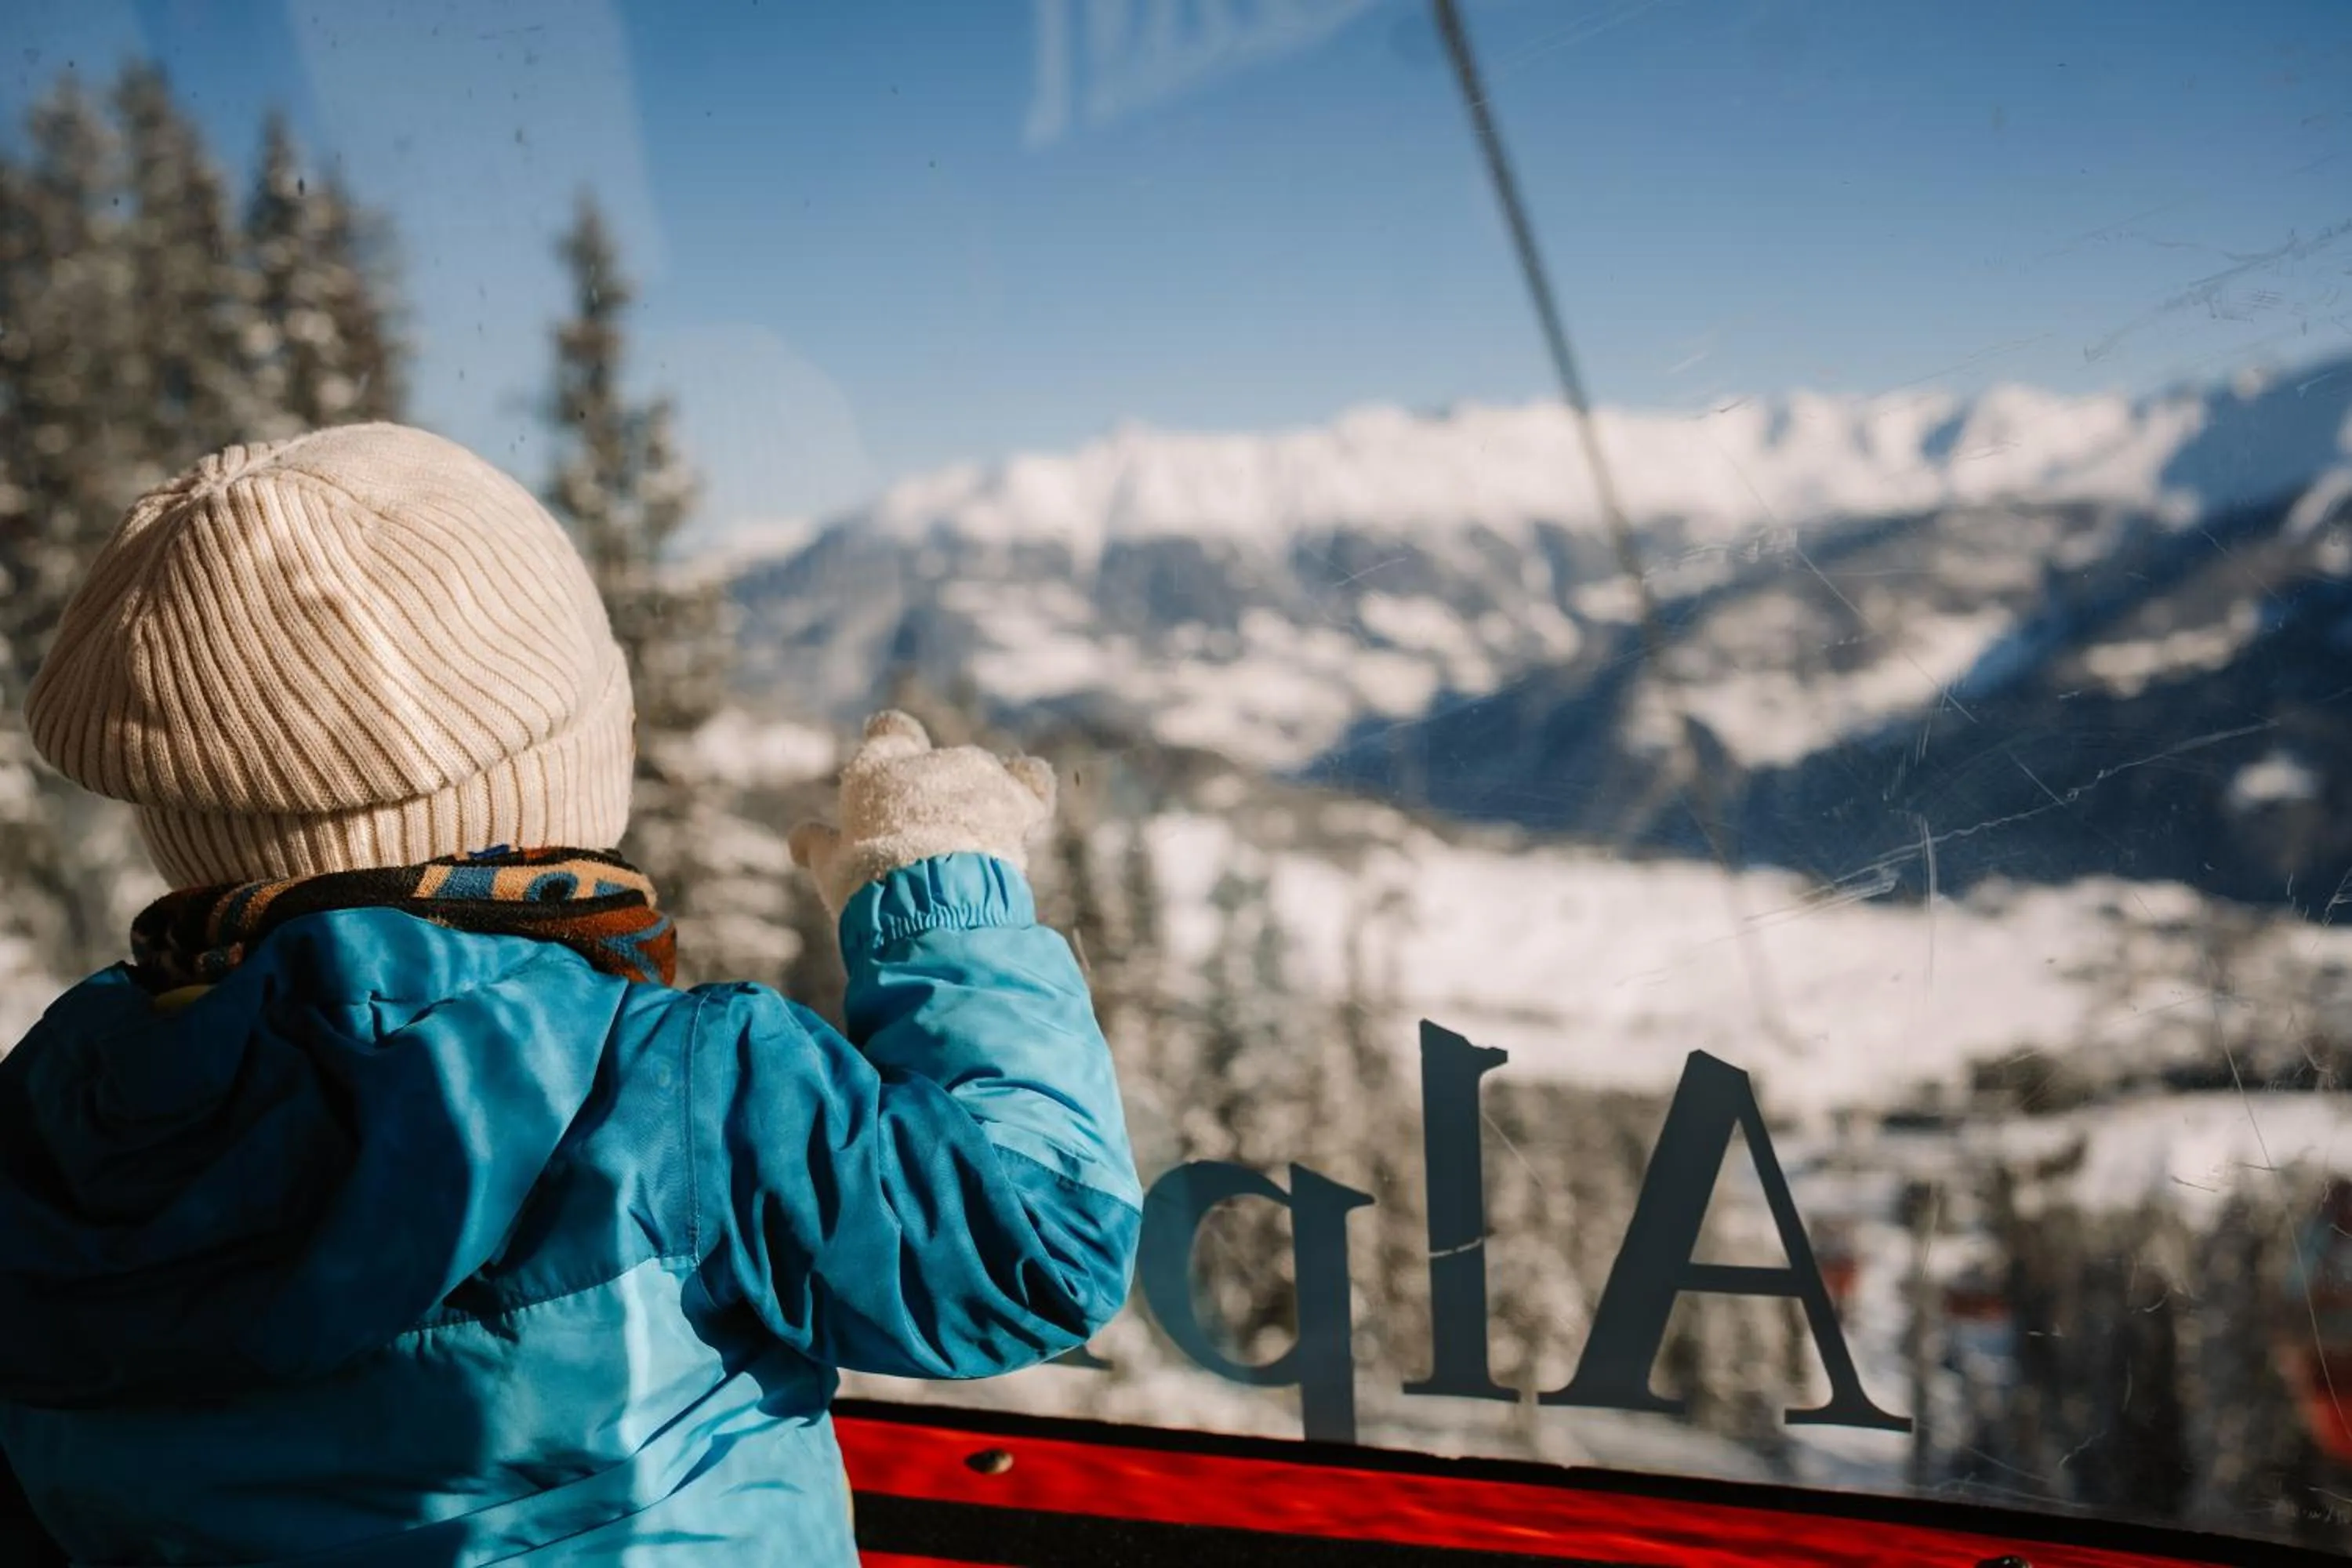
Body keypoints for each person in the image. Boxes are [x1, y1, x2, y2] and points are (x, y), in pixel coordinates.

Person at [0, 423, 1141, 1564]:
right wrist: (941, 897)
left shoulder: (56, 1115)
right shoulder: (674, 1091)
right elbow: (1039, 1250)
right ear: (564, 766)